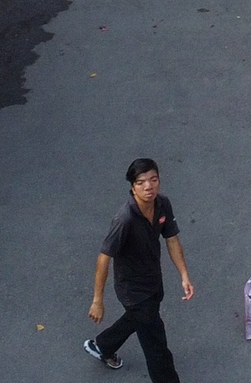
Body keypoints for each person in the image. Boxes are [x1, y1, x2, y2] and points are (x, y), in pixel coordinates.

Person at [85, 157, 192, 379]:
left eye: (153, 180)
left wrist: (184, 275)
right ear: (132, 187)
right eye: (141, 182)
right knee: (157, 348)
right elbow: (104, 259)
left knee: (141, 318)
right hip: (133, 291)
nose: (148, 186)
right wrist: (97, 300)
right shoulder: (124, 219)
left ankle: (103, 346)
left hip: (153, 280)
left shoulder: (162, 204)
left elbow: (171, 239)